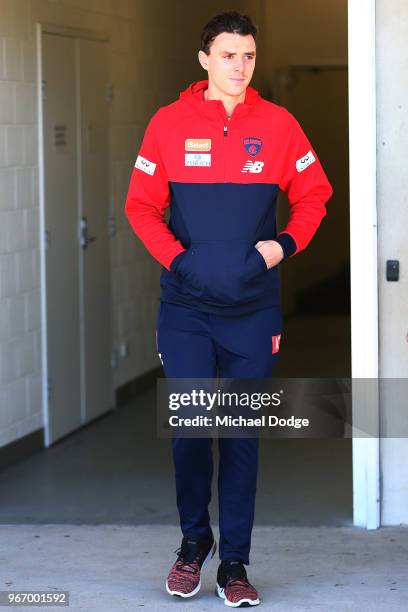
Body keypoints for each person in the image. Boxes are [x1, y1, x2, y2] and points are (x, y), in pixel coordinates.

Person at [124, 10, 333, 608]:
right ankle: (194, 547)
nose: (240, 66)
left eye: (248, 56)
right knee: (190, 430)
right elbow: (140, 206)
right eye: (228, 55)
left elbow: (315, 194)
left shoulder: (280, 124)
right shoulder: (167, 124)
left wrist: (281, 245)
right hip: (186, 307)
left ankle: (235, 563)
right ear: (204, 60)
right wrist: (179, 261)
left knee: (241, 435)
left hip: (251, 312)